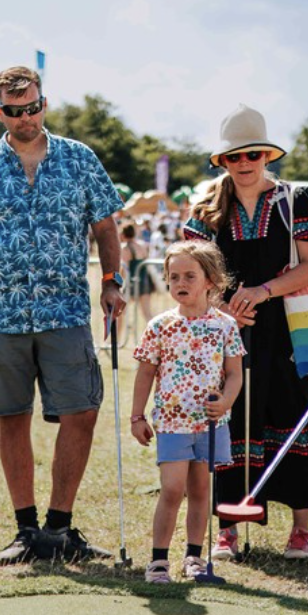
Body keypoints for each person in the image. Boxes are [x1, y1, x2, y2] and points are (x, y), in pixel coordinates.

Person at [0, 65, 126, 566]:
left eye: (32, 107)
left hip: (65, 308)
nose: (25, 117)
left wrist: (111, 281)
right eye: (14, 110)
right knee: (12, 416)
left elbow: (105, 224)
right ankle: (26, 529)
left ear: (43, 103)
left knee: (81, 412)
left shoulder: (79, 158)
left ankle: (60, 528)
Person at [185, 104, 308, 560]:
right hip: (226, 333)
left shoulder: (296, 199)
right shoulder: (205, 208)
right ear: (222, 161)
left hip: (290, 332)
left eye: (253, 155)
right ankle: (227, 527)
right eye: (234, 157)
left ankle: (301, 530)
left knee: (296, 416)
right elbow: (190, 271)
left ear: (267, 155)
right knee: (229, 420)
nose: (244, 165)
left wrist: (261, 293)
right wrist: (223, 307)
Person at [130, 241, 245, 583]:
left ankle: (194, 558)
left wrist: (226, 401)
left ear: (210, 280)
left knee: (199, 491)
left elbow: (235, 373)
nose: (181, 283)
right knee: (172, 488)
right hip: (172, 423)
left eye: (190, 276)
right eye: (174, 276)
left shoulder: (225, 325)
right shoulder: (160, 326)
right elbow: (146, 372)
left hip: (210, 424)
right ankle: (158, 561)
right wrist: (137, 416)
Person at [121, 221, 158, 335]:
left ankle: (116, 339)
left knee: (121, 312)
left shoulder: (126, 248)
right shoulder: (142, 245)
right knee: (147, 313)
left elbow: (125, 268)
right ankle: (157, 335)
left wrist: (120, 283)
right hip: (144, 280)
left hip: (132, 282)